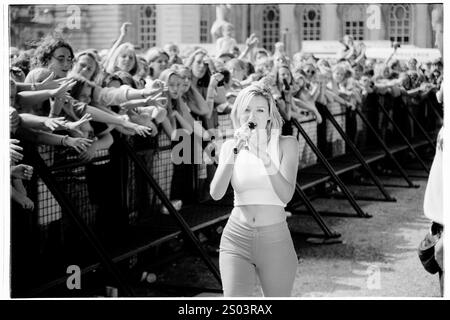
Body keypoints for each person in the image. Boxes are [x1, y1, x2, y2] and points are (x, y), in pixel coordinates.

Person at [210, 83, 299, 297]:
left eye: (260, 110)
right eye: (247, 109)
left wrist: (265, 158)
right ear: (238, 113)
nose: (253, 115)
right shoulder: (229, 146)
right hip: (236, 238)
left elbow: (286, 195)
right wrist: (234, 150)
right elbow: (216, 193)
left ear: (269, 115)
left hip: (275, 239)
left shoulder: (286, 144)